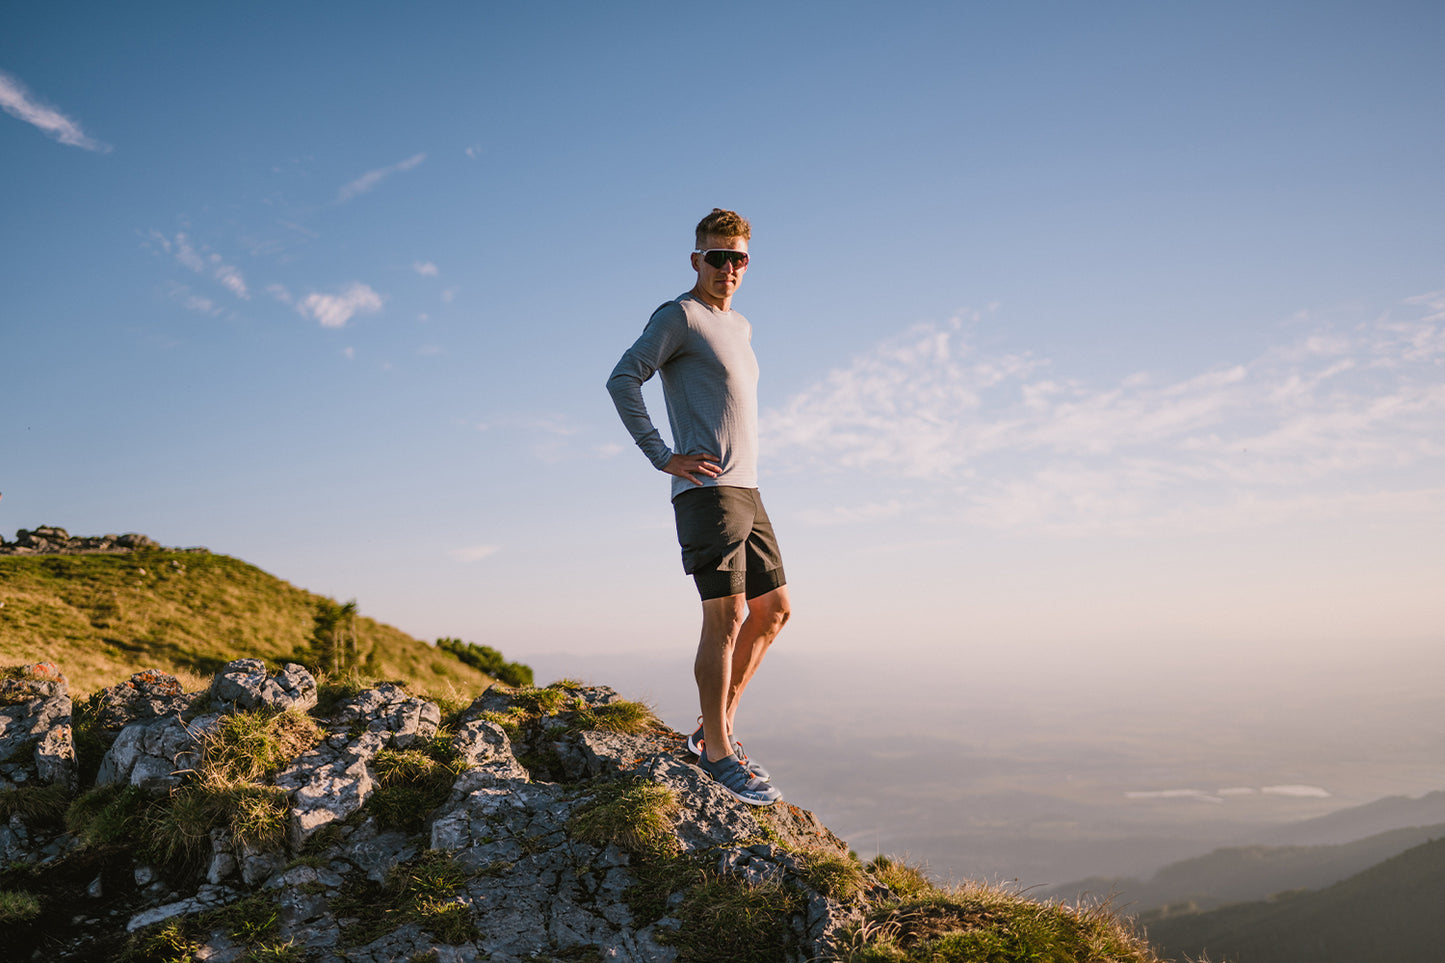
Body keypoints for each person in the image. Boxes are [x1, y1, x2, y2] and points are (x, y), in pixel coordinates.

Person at [606, 208, 790, 806]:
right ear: (696, 260)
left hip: (748, 489)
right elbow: (622, 379)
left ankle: (717, 729)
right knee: (728, 616)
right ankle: (715, 757)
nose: (728, 268)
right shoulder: (678, 316)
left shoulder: (741, 327)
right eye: (717, 257)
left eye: (738, 258)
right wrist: (662, 454)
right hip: (706, 491)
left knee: (775, 611)